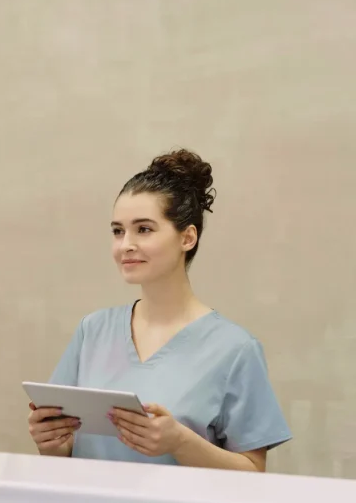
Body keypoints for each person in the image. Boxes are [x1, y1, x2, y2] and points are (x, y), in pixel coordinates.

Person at [28, 150, 291, 471]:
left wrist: (180, 442)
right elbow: (66, 454)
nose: (126, 244)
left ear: (187, 237)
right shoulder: (92, 331)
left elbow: (253, 472)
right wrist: (54, 444)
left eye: (144, 229)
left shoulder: (235, 350)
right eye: (117, 231)